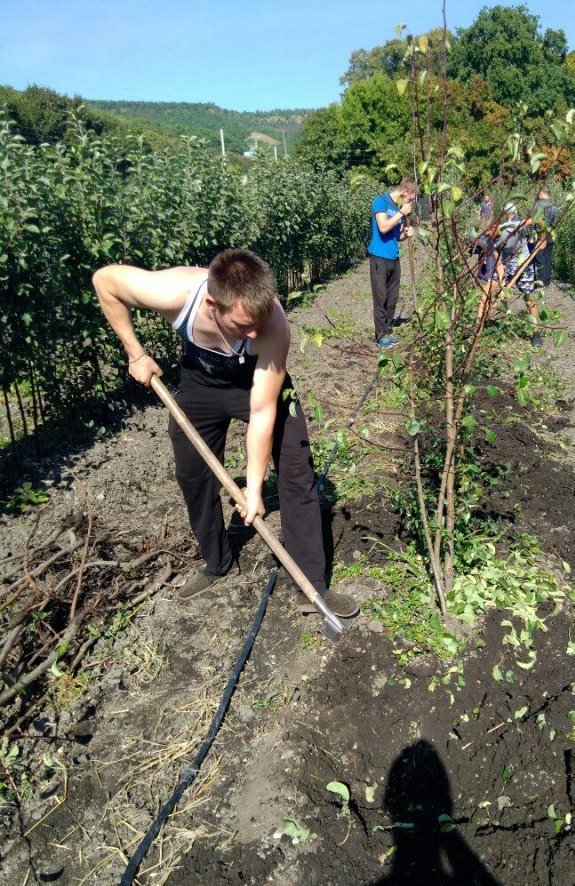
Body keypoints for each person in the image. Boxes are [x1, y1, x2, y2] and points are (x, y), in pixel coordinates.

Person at [92, 249, 359, 616]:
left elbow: (262, 412)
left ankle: (311, 584)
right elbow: (105, 281)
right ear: (212, 304)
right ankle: (217, 562)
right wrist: (135, 353)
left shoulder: (273, 326)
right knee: (192, 475)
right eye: (242, 325)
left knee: (297, 469)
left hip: (258, 382)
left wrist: (253, 486)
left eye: (257, 322)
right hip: (200, 382)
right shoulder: (173, 292)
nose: (252, 333)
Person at [368, 178, 417, 349]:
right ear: (404, 192)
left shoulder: (399, 209)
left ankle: (388, 330)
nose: (410, 203)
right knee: (380, 298)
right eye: (410, 199)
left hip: (394, 258)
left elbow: (396, 236)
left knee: (392, 298)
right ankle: (381, 336)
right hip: (379, 258)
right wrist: (401, 213)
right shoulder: (380, 201)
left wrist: (407, 234)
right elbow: (383, 227)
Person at [477, 203, 538, 324]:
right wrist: (503, 282)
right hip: (506, 264)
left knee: (529, 299)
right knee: (487, 289)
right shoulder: (490, 242)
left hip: (523, 265)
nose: (487, 238)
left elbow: (537, 219)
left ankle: (535, 332)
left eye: (487, 234)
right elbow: (498, 262)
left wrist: (542, 238)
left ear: (494, 227)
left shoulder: (512, 227)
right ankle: (479, 322)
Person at [529, 185, 559, 287]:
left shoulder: (536, 205)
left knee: (539, 259)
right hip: (550, 234)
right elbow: (554, 224)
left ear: (541, 193)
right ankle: (546, 281)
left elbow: (533, 221)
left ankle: (540, 283)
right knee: (548, 258)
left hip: (538, 235)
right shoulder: (554, 206)